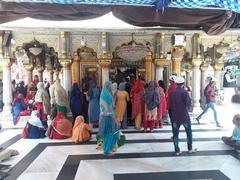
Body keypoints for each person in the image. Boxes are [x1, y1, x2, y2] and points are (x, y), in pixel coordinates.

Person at [170, 76, 197, 156]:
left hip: (175, 116)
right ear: (182, 84)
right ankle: (189, 148)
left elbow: (171, 103)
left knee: (175, 134)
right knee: (188, 132)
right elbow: (188, 104)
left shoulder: (172, 92)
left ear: (176, 83)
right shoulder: (184, 92)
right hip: (184, 115)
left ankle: (177, 150)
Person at [98, 81, 119, 156]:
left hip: (103, 117)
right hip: (109, 117)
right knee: (110, 132)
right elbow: (111, 107)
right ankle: (107, 150)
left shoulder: (102, 94)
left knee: (106, 133)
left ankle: (107, 147)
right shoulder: (108, 95)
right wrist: (113, 116)